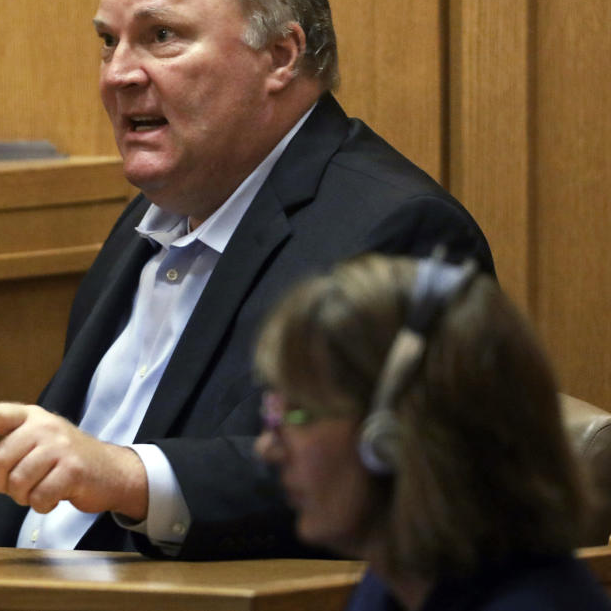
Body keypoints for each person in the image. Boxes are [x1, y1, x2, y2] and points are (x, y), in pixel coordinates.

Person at [0, 0, 494, 559]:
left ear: (281, 55)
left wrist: (127, 475)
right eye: (107, 41)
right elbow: (48, 487)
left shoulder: (398, 229)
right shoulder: (143, 227)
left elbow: (361, 470)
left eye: (161, 36)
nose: (118, 73)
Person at [255, 253, 611, 610]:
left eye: (299, 415)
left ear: (390, 438)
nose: (266, 448)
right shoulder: (392, 587)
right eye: (272, 415)